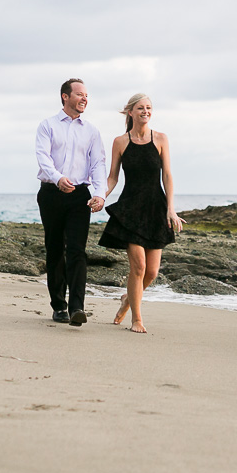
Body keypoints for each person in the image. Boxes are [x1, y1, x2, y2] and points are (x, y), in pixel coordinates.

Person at [99, 93, 184, 333]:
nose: (145, 111)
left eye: (148, 108)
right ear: (130, 112)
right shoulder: (120, 142)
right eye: (140, 108)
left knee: (153, 272)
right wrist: (100, 197)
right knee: (138, 268)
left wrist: (171, 209)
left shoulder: (160, 139)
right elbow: (113, 177)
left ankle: (128, 299)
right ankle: (137, 318)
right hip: (130, 210)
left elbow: (167, 175)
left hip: (156, 209)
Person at [35, 79, 107, 327]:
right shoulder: (48, 126)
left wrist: (100, 193)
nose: (84, 98)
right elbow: (43, 158)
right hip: (51, 193)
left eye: (86, 95)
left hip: (79, 196)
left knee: (77, 251)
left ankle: (77, 306)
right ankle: (59, 306)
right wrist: (58, 179)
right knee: (55, 249)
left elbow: (98, 164)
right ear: (65, 97)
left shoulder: (92, 131)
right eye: (79, 94)